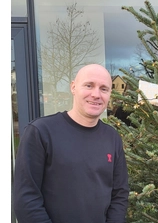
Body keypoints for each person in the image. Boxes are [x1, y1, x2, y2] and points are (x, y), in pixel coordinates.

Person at [13, 64, 130, 223]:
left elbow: (119, 194)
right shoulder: (41, 132)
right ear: (73, 87)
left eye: (104, 89)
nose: (96, 94)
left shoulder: (112, 137)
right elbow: (26, 198)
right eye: (89, 85)